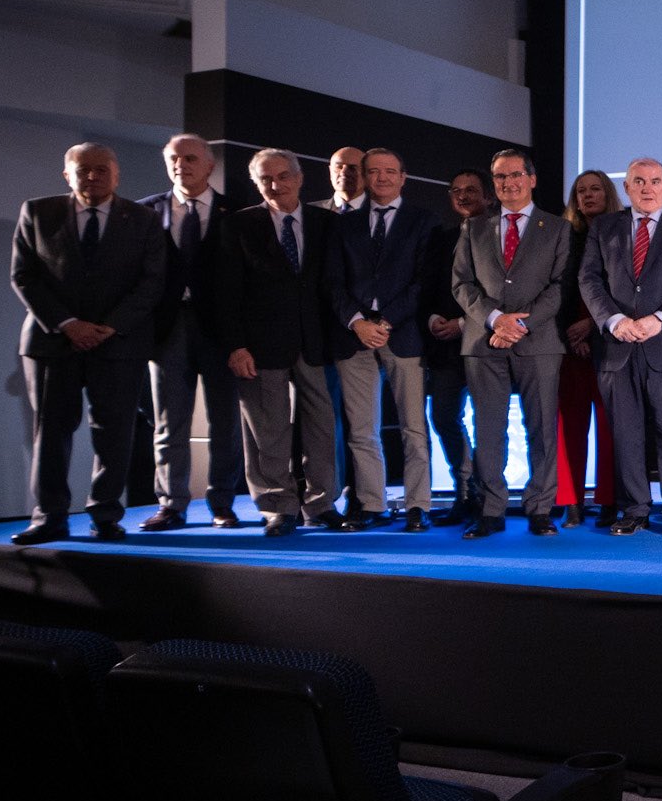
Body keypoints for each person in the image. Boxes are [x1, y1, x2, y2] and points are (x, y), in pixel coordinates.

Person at [9, 143, 167, 544]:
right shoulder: (37, 212)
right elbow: (24, 276)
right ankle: (49, 517)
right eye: (83, 170)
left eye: (101, 170)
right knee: (52, 432)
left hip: (118, 344)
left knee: (114, 434)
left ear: (116, 175)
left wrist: (109, 327)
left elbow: (152, 283)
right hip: (52, 342)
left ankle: (106, 515)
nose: (92, 177)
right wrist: (68, 324)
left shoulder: (145, 219)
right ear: (67, 175)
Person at [207, 148, 345, 535]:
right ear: (256, 183)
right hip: (258, 346)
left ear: (299, 179)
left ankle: (321, 504)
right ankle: (277, 506)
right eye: (265, 179)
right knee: (267, 430)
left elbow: (334, 285)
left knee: (321, 427)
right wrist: (235, 346)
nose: (275, 184)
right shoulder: (238, 226)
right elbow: (226, 293)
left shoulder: (326, 223)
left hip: (315, 343)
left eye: (283, 176)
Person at [579, 158, 662, 536]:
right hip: (618, 349)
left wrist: (657, 320)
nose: (647, 188)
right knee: (626, 434)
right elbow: (589, 278)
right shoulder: (604, 227)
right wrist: (615, 321)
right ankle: (634, 508)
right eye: (639, 181)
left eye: (655, 181)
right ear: (627, 188)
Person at [453, 148, 570, 538]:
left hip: (538, 341)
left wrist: (521, 324)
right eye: (500, 177)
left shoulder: (556, 227)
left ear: (532, 179)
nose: (508, 183)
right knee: (488, 428)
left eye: (515, 175)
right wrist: (495, 319)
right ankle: (490, 509)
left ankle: (540, 508)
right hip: (484, 340)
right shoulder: (474, 227)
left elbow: (559, 287)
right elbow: (462, 284)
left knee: (541, 428)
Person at [328, 148, 439, 529]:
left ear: (403, 177)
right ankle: (372, 505)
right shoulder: (343, 224)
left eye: (390, 171)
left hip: (403, 334)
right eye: (374, 172)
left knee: (413, 427)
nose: (382, 178)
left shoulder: (423, 221)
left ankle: (417, 505)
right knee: (361, 429)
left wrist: (386, 320)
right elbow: (332, 282)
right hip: (354, 336)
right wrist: (357, 321)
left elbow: (423, 282)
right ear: (364, 176)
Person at [138, 132, 244, 530]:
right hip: (167, 329)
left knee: (226, 422)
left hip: (221, 330)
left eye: (191, 158)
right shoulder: (145, 212)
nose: (182, 165)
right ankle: (171, 504)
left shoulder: (236, 212)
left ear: (209, 165)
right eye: (175, 159)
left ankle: (222, 503)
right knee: (169, 423)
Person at [554, 170, 621, 526]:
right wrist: (571, 334)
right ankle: (572, 502)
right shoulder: (563, 237)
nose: (588, 196)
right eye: (581, 191)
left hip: (610, 339)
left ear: (608, 193)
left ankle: (610, 500)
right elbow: (555, 289)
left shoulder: (623, 233)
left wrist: (593, 327)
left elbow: (626, 291)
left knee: (610, 426)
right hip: (567, 343)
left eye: (595, 189)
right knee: (569, 424)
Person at [423, 170, 488, 522]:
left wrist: (463, 323)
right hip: (445, 349)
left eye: (471, 191)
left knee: (487, 423)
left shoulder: (498, 234)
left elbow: (499, 292)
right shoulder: (442, 238)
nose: (463, 196)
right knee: (444, 416)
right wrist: (434, 318)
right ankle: (464, 490)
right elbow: (430, 285)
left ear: (487, 196)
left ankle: (485, 494)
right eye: (456, 191)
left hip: (484, 343)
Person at [314, 145, 366, 214]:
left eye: (352, 168)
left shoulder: (380, 214)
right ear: (330, 171)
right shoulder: (308, 213)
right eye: (339, 167)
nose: (344, 172)